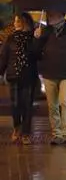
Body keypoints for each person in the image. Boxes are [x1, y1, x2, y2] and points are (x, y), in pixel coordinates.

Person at [34, 11, 66, 145]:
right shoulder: (45, 31)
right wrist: (37, 38)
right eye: (49, 16)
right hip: (49, 72)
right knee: (52, 105)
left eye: (52, 15)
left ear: (61, 16)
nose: (49, 18)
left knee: (65, 102)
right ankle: (56, 134)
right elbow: (35, 52)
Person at [0, 13, 37, 145]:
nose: (15, 23)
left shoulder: (32, 38)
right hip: (13, 75)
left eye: (17, 21)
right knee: (15, 105)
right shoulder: (10, 38)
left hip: (28, 76)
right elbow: (4, 56)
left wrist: (36, 39)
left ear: (24, 22)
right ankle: (17, 128)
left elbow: (37, 55)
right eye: (15, 21)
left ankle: (26, 133)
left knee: (27, 105)